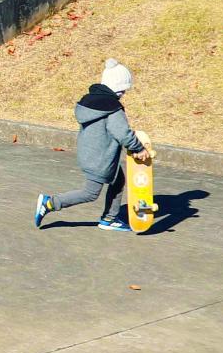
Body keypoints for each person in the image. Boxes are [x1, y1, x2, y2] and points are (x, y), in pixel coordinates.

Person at [34, 59, 151, 232]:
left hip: (89, 153)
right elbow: (123, 133)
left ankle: (109, 218)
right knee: (91, 193)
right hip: (100, 159)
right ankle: (50, 202)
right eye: (124, 90)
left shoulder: (90, 102)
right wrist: (138, 148)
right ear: (118, 88)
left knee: (118, 181)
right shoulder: (112, 109)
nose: (125, 93)